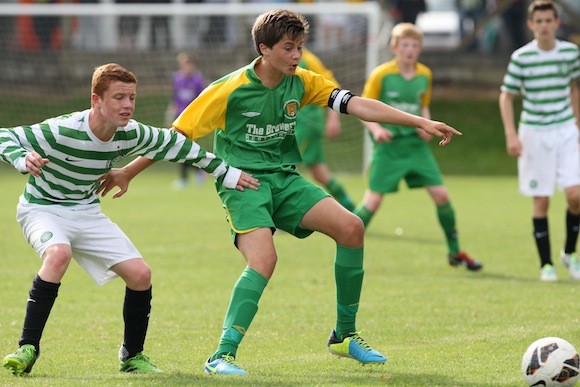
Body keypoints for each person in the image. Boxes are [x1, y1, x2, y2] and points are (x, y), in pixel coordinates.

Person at [99, 9, 461, 376]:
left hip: (285, 179)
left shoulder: (303, 81)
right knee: (264, 261)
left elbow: (357, 104)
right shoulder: (229, 89)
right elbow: (177, 136)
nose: (296, 56)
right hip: (242, 183)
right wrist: (129, 170)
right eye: (288, 48)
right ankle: (220, 356)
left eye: (300, 47)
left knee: (352, 228)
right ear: (264, 49)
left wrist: (420, 121)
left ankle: (344, 335)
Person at [0, 63, 258, 376]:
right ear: (96, 100)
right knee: (59, 254)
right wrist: (21, 157)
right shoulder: (62, 130)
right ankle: (27, 347)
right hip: (42, 208)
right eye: (118, 97)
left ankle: (132, 356)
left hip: (85, 210)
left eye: (131, 98)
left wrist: (226, 173)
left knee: (140, 274)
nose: (127, 105)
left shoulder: (130, 132)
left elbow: (177, 145)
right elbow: (5, 136)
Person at [353, 22, 483, 272]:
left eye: (415, 45)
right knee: (372, 202)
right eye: (405, 45)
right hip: (389, 148)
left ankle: (455, 252)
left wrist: (427, 125)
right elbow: (363, 108)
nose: (410, 50)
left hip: (415, 147)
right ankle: (345, 240)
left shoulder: (425, 74)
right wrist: (377, 129)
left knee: (442, 196)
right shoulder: (381, 74)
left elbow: (422, 105)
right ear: (394, 47)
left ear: (420, 48)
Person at [498, 0, 580, 282]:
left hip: (566, 130)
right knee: (541, 200)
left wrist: (577, 124)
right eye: (539, 21)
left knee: (575, 196)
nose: (544, 26)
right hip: (534, 132)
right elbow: (506, 96)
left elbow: (574, 87)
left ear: (557, 23)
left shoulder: (570, 53)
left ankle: (570, 253)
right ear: (531, 25)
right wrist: (511, 134)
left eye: (549, 20)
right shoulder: (522, 57)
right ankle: (546, 264)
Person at [295, 48, 355, 211]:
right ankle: (349, 207)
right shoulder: (280, 58)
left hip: (306, 122)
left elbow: (333, 88)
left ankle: (284, 214)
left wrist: (333, 118)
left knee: (285, 166)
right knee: (318, 171)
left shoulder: (309, 60)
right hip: (297, 122)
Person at [167, 52, 208, 189]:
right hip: (178, 117)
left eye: (190, 65)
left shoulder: (198, 81)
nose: (188, 68)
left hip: (192, 119)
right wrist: (170, 112)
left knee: (184, 148)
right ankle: (196, 174)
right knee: (180, 148)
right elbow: (175, 97)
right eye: (185, 64)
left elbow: (203, 99)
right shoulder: (177, 78)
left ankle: (187, 178)